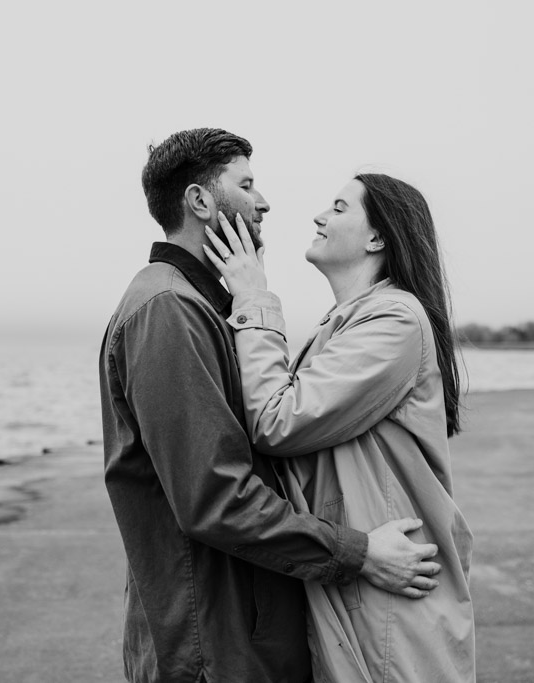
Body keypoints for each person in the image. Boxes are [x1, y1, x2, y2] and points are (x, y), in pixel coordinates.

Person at [99, 128, 443, 683]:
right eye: (248, 185)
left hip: (241, 631)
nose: (264, 202)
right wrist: (354, 552)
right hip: (211, 644)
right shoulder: (168, 309)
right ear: (201, 201)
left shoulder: (209, 308)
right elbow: (215, 496)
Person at [203, 173, 475, 681]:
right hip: (363, 583)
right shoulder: (347, 320)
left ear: (377, 238)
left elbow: (277, 421)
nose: (319, 216)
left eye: (339, 207)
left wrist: (254, 299)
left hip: (389, 602)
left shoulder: (393, 320)